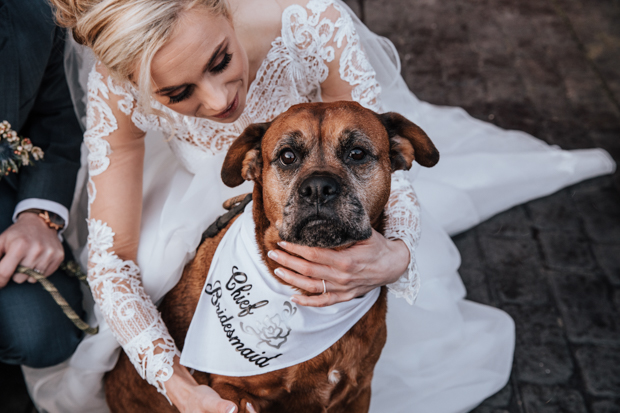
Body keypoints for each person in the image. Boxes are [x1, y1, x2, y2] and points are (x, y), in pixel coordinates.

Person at [23, 0, 614, 412]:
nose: (220, 99)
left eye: (222, 61)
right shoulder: (114, 86)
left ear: (224, 9)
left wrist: (395, 254)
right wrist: (177, 386)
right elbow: (113, 254)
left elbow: (376, 162)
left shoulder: (309, 20)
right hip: (194, 194)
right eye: (178, 94)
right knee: (150, 287)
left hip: (312, 165)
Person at [0, 0, 84, 369]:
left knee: (48, 334)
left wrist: (38, 214)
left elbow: (53, 117)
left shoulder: (36, 11)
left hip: (7, 182)